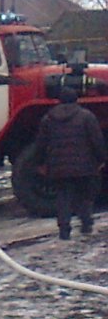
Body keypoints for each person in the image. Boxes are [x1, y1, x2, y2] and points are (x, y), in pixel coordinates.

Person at [32, 86, 106, 240]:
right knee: (84, 196)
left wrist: (40, 164)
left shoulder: (48, 119)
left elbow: (41, 144)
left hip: (58, 168)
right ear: (76, 100)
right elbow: (97, 141)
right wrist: (101, 160)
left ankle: (64, 230)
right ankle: (86, 224)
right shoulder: (87, 117)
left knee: (63, 198)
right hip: (84, 166)